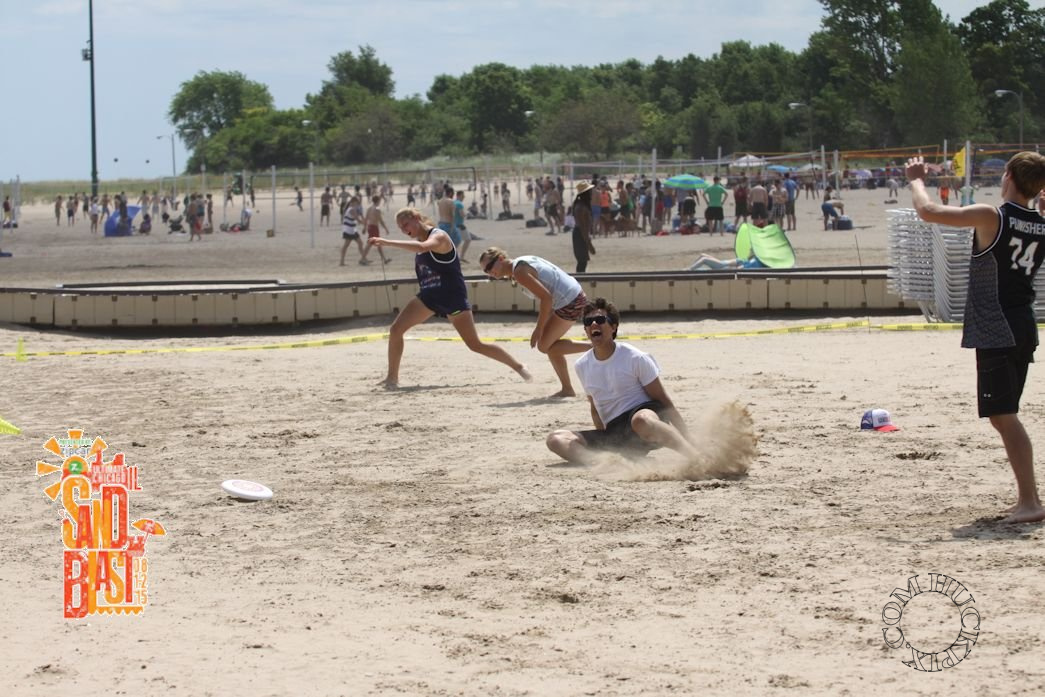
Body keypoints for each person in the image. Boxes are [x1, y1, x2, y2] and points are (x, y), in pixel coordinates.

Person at [906, 152, 1045, 524]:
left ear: (1009, 176)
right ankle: (1029, 499)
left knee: (1005, 416)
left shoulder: (992, 216)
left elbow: (929, 212)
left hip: (997, 326)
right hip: (1022, 323)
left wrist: (915, 180)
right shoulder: (1040, 223)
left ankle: (1030, 502)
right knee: (1004, 415)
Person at [368, 208, 532, 389]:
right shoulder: (419, 243)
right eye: (400, 227)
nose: (404, 230)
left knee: (475, 344)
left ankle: (519, 367)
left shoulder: (439, 236)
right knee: (396, 330)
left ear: (416, 218)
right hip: (429, 296)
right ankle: (392, 378)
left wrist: (386, 242)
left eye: (405, 224)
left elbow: (423, 247)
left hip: (452, 297)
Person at [545, 297, 700, 464]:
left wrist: (688, 437)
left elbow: (663, 401)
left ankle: (695, 457)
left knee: (641, 421)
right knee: (556, 439)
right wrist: (605, 440)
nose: (594, 324)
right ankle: (607, 463)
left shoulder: (635, 357)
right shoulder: (582, 365)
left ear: (613, 327)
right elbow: (595, 407)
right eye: (588, 322)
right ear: (586, 330)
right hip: (615, 432)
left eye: (600, 320)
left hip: (644, 418)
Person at [479, 247, 591, 397]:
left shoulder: (519, 272)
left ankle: (595, 346)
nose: (489, 272)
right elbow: (549, 294)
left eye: (489, 267)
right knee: (548, 345)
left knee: (545, 346)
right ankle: (567, 389)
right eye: (485, 271)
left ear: (500, 259)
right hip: (571, 295)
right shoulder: (521, 262)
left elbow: (546, 298)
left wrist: (539, 329)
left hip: (570, 300)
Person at [571, 181, 596, 273]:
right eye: (590, 191)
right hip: (580, 234)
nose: (591, 193)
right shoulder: (581, 207)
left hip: (581, 234)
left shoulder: (582, 205)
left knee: (583, 261)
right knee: (582, 261)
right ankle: (580, 279)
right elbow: (582, 227)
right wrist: (589, 243)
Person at [361, 195, 391, 265]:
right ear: (378, 201)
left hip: (370, 227)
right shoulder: (377, 209)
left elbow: (366, 219)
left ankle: (384, 259)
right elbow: (380, 220)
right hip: (374, 227)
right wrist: (386, 229)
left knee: (377, 243)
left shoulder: (369, 208)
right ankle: (362, 259)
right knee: (371, 244)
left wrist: (364, 227)